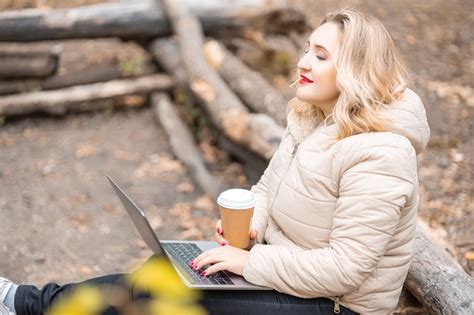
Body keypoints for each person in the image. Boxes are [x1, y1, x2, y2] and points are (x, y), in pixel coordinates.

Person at [0, 7, 430, 315]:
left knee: (164, 294)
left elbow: (346, 270)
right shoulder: (312, 119)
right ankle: (27, 303)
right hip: (288, 274)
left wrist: (249, 263)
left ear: (356, 71)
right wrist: (252, 227)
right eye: (306, 49)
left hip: (334, 305)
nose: (302, 62)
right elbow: (265, 190)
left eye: (321, 55)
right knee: (162, 270)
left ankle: (25, 304)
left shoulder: (381, 151)